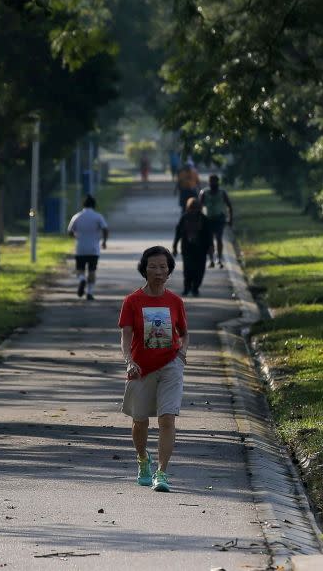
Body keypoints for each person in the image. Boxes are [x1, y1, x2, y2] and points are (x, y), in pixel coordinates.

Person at [118, 246, 188, 492]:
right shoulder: (132, 301)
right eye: (153, 267)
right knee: (141, 421)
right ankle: (142, 459)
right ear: (144, 270)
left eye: (163, 267)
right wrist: (129, 360)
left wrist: (181, 354)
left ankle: (162, 472)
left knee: (167, 418)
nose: (158, 272)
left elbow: (184, 334)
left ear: (169, 271)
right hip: (140, 368)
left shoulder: (175, 301)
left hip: (170, 366)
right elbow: (126, 336)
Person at [67, 195, 108, 300]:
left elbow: (70, 231)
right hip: (94, 249)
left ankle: (81, 280)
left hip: (80, 248)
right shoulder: (98, 216)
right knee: (92, 271)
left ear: (83, 204)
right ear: (94, 205)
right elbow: (105, 229)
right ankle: (89, 292)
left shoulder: (77, 216)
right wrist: (104, 241)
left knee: (80, 270)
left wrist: (76, 236)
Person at [172, 197, 212, 296]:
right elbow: (178, 232)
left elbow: (209, 234)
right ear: (188, 208)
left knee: (199, 270)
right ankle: (187, 287)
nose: (194, 210)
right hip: (187, 249)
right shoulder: (184, 218)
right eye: (192, 208)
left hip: (201, 249)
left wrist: (211, 247)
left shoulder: (204, 219)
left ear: (199, 208)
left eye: (196, 208)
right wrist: (175, 246)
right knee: (188, 269)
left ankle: (195, 288)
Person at [199, 174, 234, 268]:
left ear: (218, 182)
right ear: (209, 182)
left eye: (215, 181)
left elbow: (229, 206)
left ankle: (219, 258)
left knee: (219, 238)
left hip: (219, 219)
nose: (213, 183)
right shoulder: (204, 193)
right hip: (208, 219)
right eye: (211, 181)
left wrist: (230, 219)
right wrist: (199, 220)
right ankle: (211, 260)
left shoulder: (222, 193)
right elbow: (199, 207)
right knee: (209, 241)